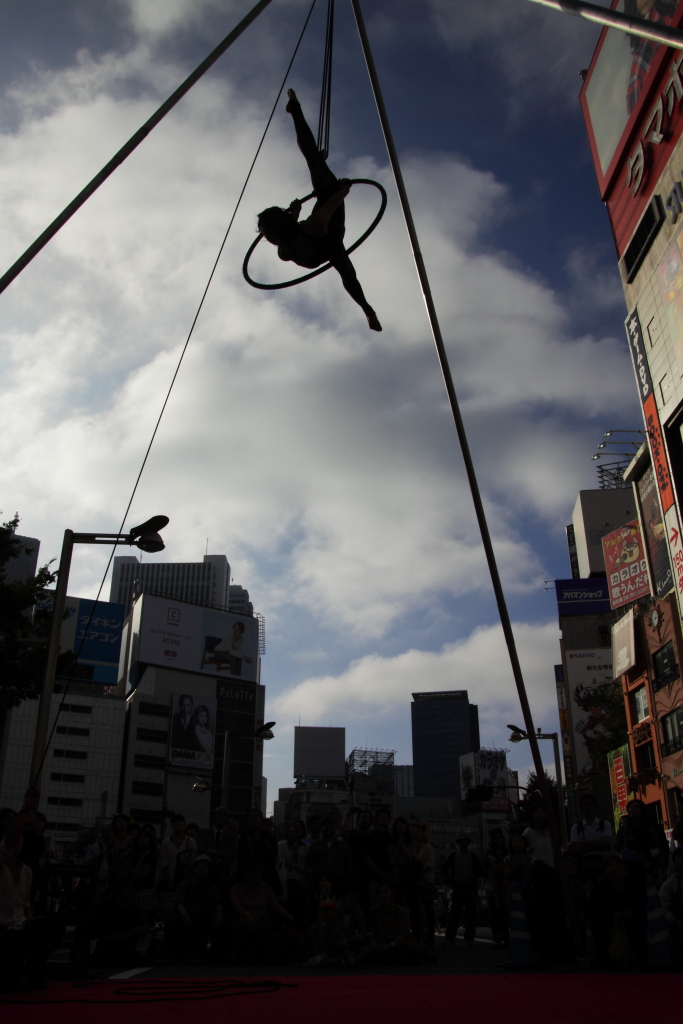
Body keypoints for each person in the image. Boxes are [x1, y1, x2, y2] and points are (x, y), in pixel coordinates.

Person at [257, 90, 382, 333]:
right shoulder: (313, 225)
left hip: (319, 252)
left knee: (348, 274)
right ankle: (295, 110)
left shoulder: (283, 249)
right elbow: (332, 204)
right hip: (329, 230)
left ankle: (368, 311)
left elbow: (289, 232)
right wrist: (344, 188)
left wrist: (295, 211)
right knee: (313, 158)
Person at [0, 796, 65, 991]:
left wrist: (32, 921)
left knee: (53, 925)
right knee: (8, 985)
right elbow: (10, 839)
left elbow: (25, 903)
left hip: (18, 929)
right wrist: (26, 807)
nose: (18, 841)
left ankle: (32, 969)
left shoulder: (26, 871)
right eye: (14, 837)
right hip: (1, 931)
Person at [587, 853, 647, 968]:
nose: (614, 868)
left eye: (618, 864)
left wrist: (633, 913)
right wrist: (611, 916)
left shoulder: (638, 887)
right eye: (610, 865)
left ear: (625, 870)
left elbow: (646, 907)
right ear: (605, 872)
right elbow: (590, 911)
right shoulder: (599, 890)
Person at [230, 862, 293, 963]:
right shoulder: (237, 888)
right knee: (245, 922)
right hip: (243, 918)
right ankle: (239, 952)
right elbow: (236, 905)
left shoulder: (264, 887)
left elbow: (275, 905)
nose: (257, 877)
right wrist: (247, 914)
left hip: (263, 919)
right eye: (254, 874)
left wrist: (286, 914)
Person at [359, 884, 436, 965]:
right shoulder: (373, 911)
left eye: (386, 892)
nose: (383, 895)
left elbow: (402, 934)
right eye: (380, 893)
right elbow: (372, 931)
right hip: (382, 944)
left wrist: (391, 944)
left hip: (399, 943)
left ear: (392, 896)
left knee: (401, 948)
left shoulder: (400, 911)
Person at [92, 873, 155, 966]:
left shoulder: (135, 911)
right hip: (106, 954)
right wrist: (133, 932)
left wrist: (149, 933)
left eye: (133, 888)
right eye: (127, 888)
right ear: (118, 889)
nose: (131, 891)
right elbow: (104, 939)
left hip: (129, 954)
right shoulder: (105, 910)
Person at [171, 855, 225, 962]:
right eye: (201, 865)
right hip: (188, 916)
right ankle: (181, 954)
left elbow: (217, 902)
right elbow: (179, 902)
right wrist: (185, 915)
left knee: (220, 926)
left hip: (204, 918)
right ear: (194, 868)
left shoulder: (211, 887)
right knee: (177, 925)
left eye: (206, 866)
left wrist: (219, 914)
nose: (203, 868)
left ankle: (215, 955)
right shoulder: (184, 885)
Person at [442, 836, 482, 946]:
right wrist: (450, 882)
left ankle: (466, 937)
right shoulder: (456, 856)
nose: (464, 844)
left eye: (465, 842)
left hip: (468, 887)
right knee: (456, 913)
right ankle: (453, 937)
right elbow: (444, 869)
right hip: (460, 887)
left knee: (468, 913)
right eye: (462, 842)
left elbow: (479, 871)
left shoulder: (471, 856)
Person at [157, 814, 197, 919]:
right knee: (168, 911)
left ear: (184, 824)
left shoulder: (190, 842)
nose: (177, 823)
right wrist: (169, 881)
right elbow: (163, 863)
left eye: (179, 821)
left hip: (185, 881)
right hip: (168, 881)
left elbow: (193, 863)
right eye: (174, 821)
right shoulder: (166, 842)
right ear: (171, 825)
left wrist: (185, 880)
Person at [613, 798, 662, 882]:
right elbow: (616, 848)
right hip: (628, 869)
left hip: (646, 868)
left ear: (642, 810)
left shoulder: (650, 829)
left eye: (636, 807)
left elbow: (657, 849)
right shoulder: (622, 831)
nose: (633, 809)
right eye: (631, 807)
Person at [568, 794, 613, 881]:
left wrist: (586, 842)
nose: (587, 806)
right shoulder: (576, 827)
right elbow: (575, 848)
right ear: (581, 808)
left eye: (590, 804)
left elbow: (607, 841)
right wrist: (599, 845)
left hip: (602, 863)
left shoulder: (604, 824)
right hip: (583, 864)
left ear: (594, 807)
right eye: (584, 804)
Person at [305, 818, 353, 898]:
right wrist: (311, 883)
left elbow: (349, 865)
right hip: (319, 884)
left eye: (331, 825)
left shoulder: (343, 845)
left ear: (335, 828)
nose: (329, 827)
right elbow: (308, 865)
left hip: (340, 883)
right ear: (321, 829)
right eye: (326, 826)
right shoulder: (315, 846)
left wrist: (347, 882)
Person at [237, 808, 280, 895]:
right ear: (247, 822)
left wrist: (254, 855)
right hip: (248, 876)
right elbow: (242, 859)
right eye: (250, 818)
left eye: (256, 817)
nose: (254, 820)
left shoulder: (269, 838)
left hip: (267, 875)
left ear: (261, 821)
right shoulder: (243, 839)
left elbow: (271, 858)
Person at [276, 819, 309, 932]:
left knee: (299, 916)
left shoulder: (306, 848)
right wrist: (287, 862)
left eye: (299, 827)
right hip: (284, 884)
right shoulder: (281, 844)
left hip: (300, 885)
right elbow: (275, 859)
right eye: (294, 826)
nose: (296, 829)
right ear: (289, 829)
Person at [197, 807, 237, 896]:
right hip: (205, 874)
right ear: (214, 817)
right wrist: (219, 861)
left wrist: (214, 851)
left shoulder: (230, 837)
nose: (222, 817)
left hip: (223, 877)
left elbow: (231, 855)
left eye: (225, 815)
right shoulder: (203, 833)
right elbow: (201, 851)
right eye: (220, 814)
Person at [341, 807, 374, 912]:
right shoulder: (354, 834)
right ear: (358, 820)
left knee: (366, 903)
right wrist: (347, 816)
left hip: (367, 875)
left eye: (367, 818)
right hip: (352, 873)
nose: (364, 819)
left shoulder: (372, 837)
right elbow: (343, 834)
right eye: (362, 817)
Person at [306, 900, 351, 967]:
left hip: (334, 950)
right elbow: (327, 942)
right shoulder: (324, 926)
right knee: (337, 961)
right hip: (324, 951)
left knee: (349, 960)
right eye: (324, 911)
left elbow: (340, 935)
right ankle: (319, 960)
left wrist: (344, 941)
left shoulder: (336, 924)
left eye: (329, 911)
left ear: (335, 913)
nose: (327, 913)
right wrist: (340, 943)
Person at [413, 823, 436, 948]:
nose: (415, 834)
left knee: (428, 910)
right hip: (416, 882)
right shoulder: (412, 848)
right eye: (414, 832)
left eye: (418, 831)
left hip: (426, 881)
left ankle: (430, 937)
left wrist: (418, 869)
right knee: (418, 911)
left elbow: (430, 863)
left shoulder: (428, 848)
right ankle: (421, 936)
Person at [484, 828, 509, 947]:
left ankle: (504, 934)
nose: (498, 840)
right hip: (492, 885)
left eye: (499, 838)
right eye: (495, 838)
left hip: (504, 886)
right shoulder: (489, 854)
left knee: (503, 911)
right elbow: (495, 868)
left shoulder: (507, 853)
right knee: (494, 911)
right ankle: (497, 934)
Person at [660, 846, 683, 962]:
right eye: (678, 856)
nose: (681, 859)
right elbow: (662, 904)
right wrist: (674, 920)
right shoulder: (670, 883)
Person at [130, 830, 157, 922]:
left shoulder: (151, 855)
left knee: (144, 917)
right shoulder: (136, 855)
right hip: (136, 889)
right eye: (140, 838)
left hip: (146, 890)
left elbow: (145, 873)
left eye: (145, 838)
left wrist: (132, 873)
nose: (142, 840)